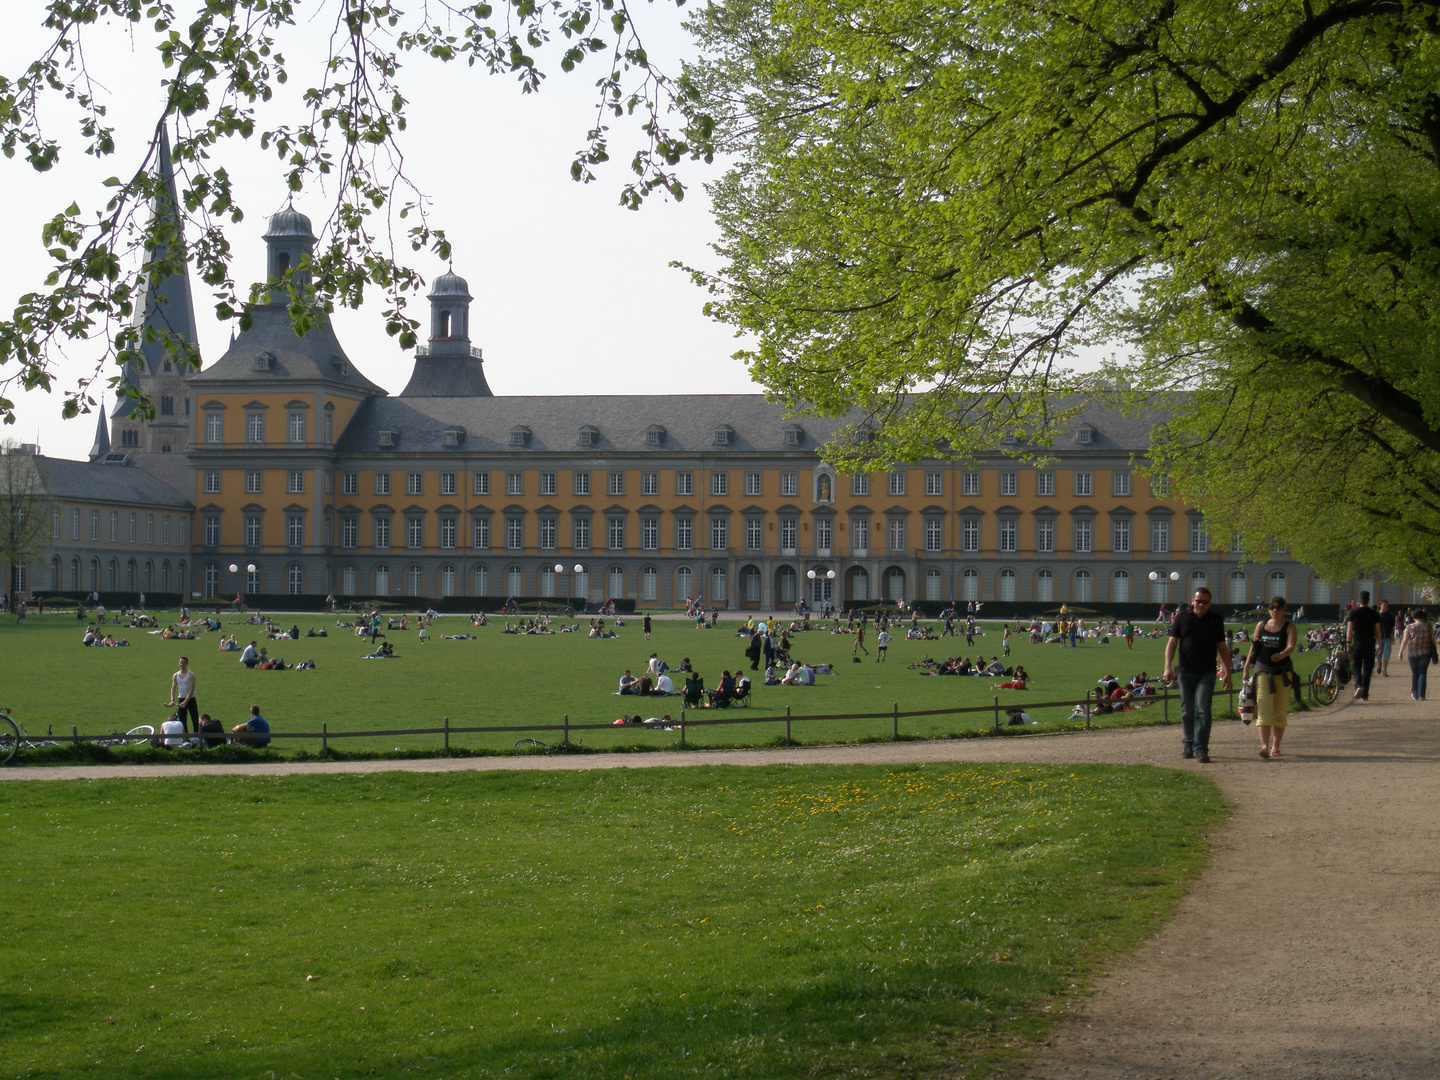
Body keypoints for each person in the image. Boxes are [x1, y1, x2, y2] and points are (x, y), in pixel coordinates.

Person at [1163, 586, 1232, 763]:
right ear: (1192, 600)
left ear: (1209, 603)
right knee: (1187, 710)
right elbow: (1172, 644)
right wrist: (1167, 667)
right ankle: (1188, 743)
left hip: (1207, 672)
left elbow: (1222, 648)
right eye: (1197, 601)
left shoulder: (1215, 619)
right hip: (1185, 670)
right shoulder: (1182, 617)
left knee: (1203, 710)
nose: (1200, 604)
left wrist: (1227, 671)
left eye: (1204, 602)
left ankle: (1201, 748)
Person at [1242, 596, 1298, 759]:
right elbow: (1254, 647)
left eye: (1278, 608)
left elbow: (1291, 646)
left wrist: (1282, 654)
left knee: (1279, 710)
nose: (1275, 611)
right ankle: (1264, 746)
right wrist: (1246, 668)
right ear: (1268, 609)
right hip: (1263, 671)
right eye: (1272, 608)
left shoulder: (1289, 627)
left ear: (1283, 609)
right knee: (1264, 708)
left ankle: (1276, 746)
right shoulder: (1261, 625)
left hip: (1282, 672)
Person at [1345, 591, 1382, 701]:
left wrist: (1348, 644)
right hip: (1369, 644)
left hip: (1357, 643)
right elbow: (1378, 631)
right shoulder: (1374, 613)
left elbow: (1350, 630)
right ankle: (1365, 694)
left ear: (1359, 599)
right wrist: (1379, 644)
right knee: (1368, 670)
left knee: (1356, 666)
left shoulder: (1353, 612)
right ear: (1368, 600)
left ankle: (1358, 684)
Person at [1397, 608, 1435, 702]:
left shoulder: (1410, 627)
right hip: (1425, 652)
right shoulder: (1428, 626)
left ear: (1414, 617)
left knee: (1415, 673)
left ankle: (1414, 693)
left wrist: (1400, 652)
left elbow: (1405, 641)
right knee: (1423, 673)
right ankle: (1422, 694)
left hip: (1413, 653)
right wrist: (1435, 651)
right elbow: (1433, 639)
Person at [168, 655, 199, 733]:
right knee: (182, 721)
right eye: (180, 662)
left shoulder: (191, 675)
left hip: (190, 699)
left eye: (183, 663)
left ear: (187, 664)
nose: (182, 664)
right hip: (181, 699)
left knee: (195, 719)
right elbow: (173, 688)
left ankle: (197, 736)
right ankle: (185, 738)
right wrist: (172, 700)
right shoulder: (175, 675)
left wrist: (185, 701)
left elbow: (191, 689)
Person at [1377, 599, 1396, 677]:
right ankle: (1379, 663)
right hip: (1378, 638)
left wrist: (1393, 637)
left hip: (1387, 637)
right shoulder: (1377, 615)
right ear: (1380, 605)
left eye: (1386, 605)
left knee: (1386, 654)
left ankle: (1384, 670)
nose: (1385, 607)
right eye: (1384, 605)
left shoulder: (1390, 616)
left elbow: (1392, 627)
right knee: (1378, 654)